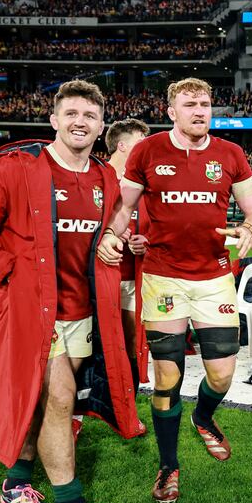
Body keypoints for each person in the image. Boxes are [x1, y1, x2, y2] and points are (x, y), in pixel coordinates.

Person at [0, 80, 136, 503]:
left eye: (90, 116)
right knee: (60, 398)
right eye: (71, 113)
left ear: (100, 126)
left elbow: (106, 227)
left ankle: (16, 481)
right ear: (53, 120)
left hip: (82, 309)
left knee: (41, 400)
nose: (80, 122)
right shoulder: (15, 168)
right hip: (34, 312)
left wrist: (116, 240)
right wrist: (9, 271)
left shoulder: (104, 178)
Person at [96, 78, 252, 503]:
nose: (199, 111)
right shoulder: (147, 151)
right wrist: (114, 235)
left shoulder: (231, 154)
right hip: (163, 277)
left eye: (206, 104)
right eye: (189, 104)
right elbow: (124, 207)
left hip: (213, 278)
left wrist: (248, 228)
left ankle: (204, 417)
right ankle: (168, 466)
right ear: (171, 111)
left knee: (222, 374)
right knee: (167, 377)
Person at [104, 118, 150, 395]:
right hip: (102, 272)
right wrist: (108, 233)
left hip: (134, 274)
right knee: (99, 340)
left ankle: (127, 400)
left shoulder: (144, 180)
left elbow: (155, 223)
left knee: (132, 339)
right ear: (122, 146)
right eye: (139, 143)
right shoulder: (97, 176)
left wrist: (145, 240)